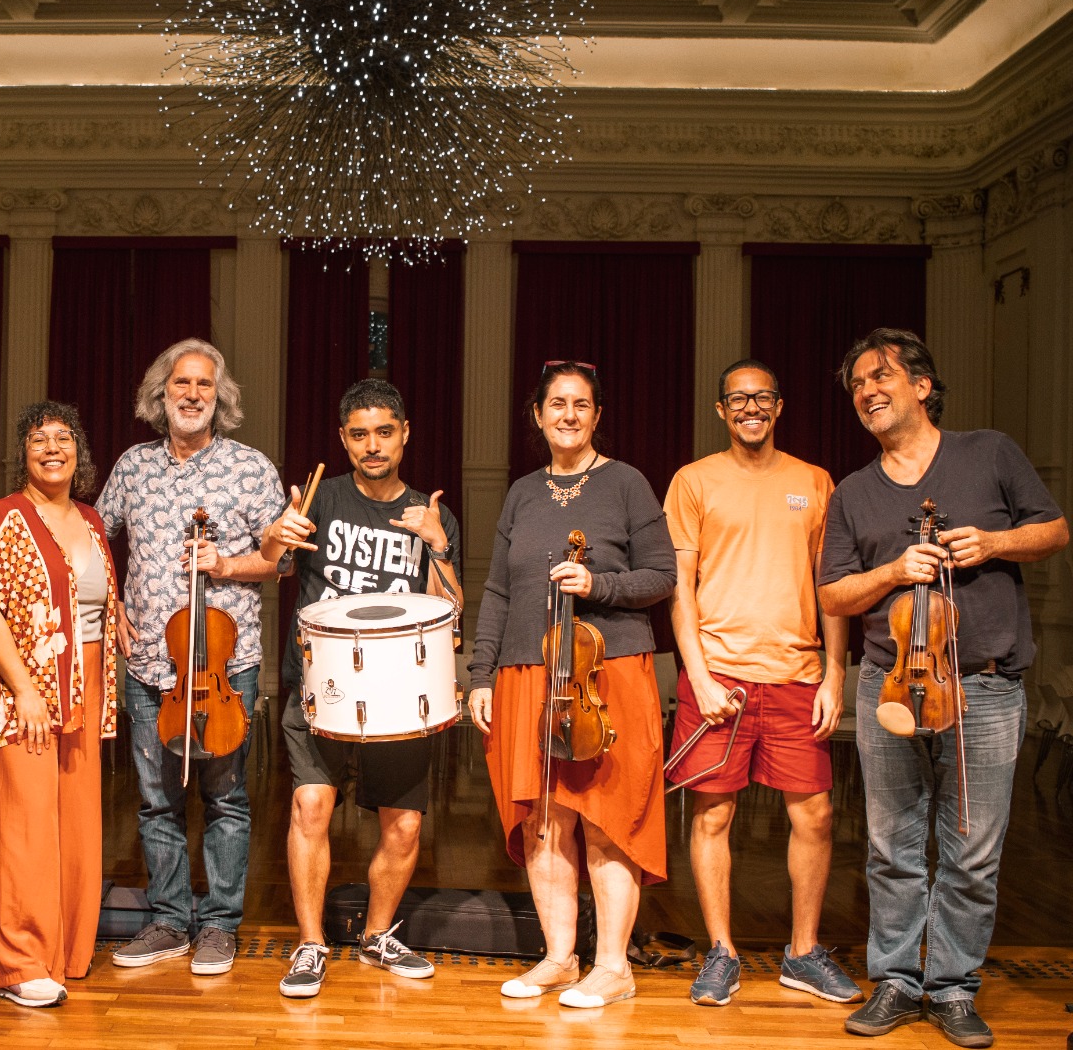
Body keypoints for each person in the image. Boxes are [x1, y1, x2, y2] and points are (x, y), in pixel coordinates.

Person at [818, 329, 1066, 1048]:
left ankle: (953, 987)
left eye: (880, 375)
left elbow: (1053, 530)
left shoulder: (988, 452)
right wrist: (894, 572)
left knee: (972, 852)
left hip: (984, 687)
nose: (867, 390)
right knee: (891, 846)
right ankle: (896, 981)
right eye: (857, 383)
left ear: (922, 386)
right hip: (890, 687)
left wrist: (992, 544)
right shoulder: (854, 493)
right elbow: (834, 595)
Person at [467, 360, 675, 1009]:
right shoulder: (522, 493)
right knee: (544, 821)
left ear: (597, 415)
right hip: (526, 671)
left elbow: (662, 575)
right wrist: (480, 675)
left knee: (609, 818)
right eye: (557, 403)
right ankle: (559, 958)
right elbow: (500, 589)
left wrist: (600, 586)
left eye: (581, 404)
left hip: (606, 671)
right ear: (538, 413)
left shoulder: (627, 484)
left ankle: (613, 966)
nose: (569, 414)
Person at [259, 379, 464, 999]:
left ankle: (377, 936)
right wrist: (278, 533)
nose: (372, 446)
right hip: (322, 685)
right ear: (342, 441)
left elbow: (449, 609)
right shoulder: (321, 499)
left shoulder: (434, 510)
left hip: (401, 692)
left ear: (405, 435)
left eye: (384, 432)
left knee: (402, 826)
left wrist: (438, 545)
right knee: (311, 807)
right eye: (358, 434)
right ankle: (311, 944)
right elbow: (271, 561)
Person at [664, 358, 859, 1007]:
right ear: (721, 410)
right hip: (718, 676)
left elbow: (832, 589)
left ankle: (802, 953)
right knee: (712, 815)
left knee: (817, 814)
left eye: (762, 397)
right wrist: (697, 674)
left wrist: (836, 673)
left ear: (779, 407)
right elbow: (680, 592)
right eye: (738, 398)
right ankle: (721, 952)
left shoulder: (815, 482)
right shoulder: (693, 481)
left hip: (798, 674)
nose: (751, 407)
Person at [96, 338, 284, 976]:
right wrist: (108, 605)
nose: (193, 394)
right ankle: (170, 920)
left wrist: (227, 562)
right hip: (149, 662)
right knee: (156, 801)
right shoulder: (132, 467)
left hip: (225, 668)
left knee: (226, 799)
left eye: (205, 385)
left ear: (220, 397)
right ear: (162, 393)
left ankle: (220, 927)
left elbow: (279, 562)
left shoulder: (251, 468)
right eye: (182, 383)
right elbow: (95, 536)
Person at [0, 401, 118, 1007]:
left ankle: (66, 951)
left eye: (63, 437)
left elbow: (94, 607)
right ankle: (18, 964)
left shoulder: (93, 521)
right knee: (24, 822)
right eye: (38, 438)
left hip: (85, 681)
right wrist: (23, 688)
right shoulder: (3, 516)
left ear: (79, 452)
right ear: (23, 452)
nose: (51, 447)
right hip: (26, 684)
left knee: (75, 821)